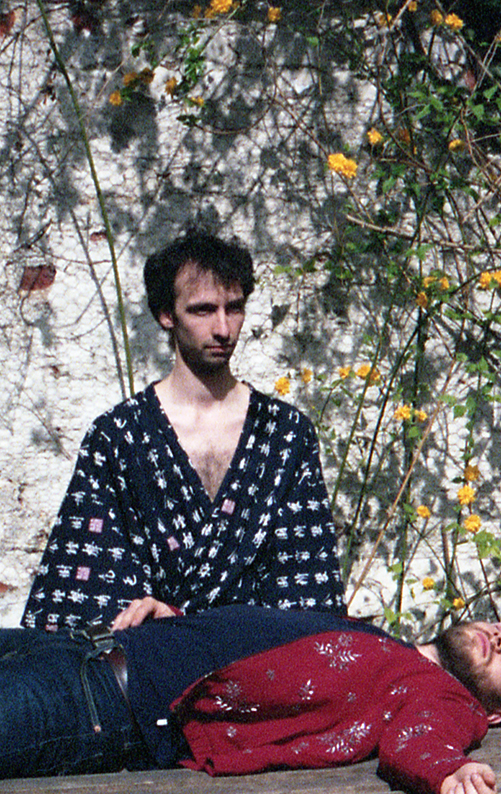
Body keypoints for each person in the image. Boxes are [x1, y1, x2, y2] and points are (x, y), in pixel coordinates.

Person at [22, 232, 344, 632]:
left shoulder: (284, 435)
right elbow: (85, 587)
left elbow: (307, 591)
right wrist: (161, 624)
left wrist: (196, 624)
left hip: (260, 659)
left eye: (234, 308)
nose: (223, 328)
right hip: (153, 662)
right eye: (203, 310)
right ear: (166, 315)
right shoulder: (120, 437)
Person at [0, 601, 501, 794]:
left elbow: (423, 740)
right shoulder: (391, 647)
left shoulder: (442, 698)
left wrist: (449, 773)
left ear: (494, 714)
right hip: (75, 648)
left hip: (97, 704)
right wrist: (183, 622)